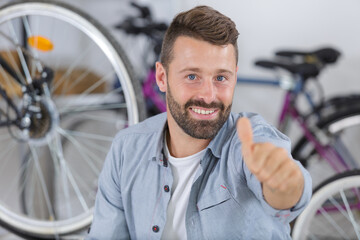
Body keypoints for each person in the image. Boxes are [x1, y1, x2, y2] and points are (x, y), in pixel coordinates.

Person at [87, 5, 312, 240]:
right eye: (192, 76)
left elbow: (287, 196)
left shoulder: (250, 140)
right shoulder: (126, 149)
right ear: (162, 78)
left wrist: (284, 184)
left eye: (221, 78)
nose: (208, 95)